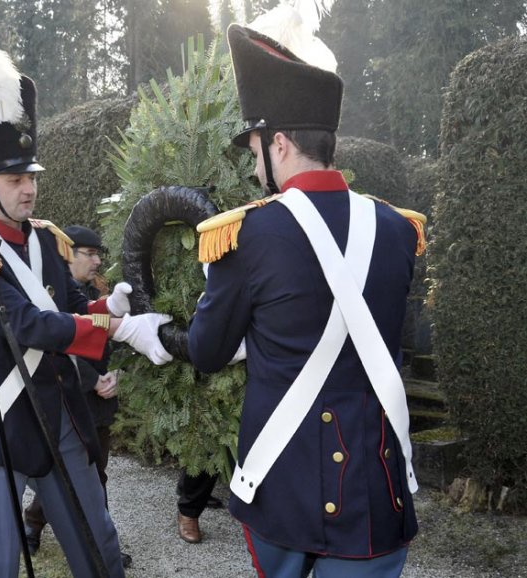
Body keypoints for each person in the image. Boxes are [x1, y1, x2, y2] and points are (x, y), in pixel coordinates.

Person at [186, 13, 426, 578]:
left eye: (255, 150)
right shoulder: (398, 229)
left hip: (281, 493)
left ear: (281, 143)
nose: (254, 165)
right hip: (377, 499)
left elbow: (207, 351)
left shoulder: (247, 234)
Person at [0, 50, 172, 578]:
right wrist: (116, 327)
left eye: (31, 176)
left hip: (58, 414)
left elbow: (67, 308)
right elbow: (26, 324)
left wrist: (105, 308)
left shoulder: (46, 241)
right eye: (14, 179)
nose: (29, 187)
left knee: (99, 550)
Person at [22, 224, 131, 568]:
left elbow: (112, 343)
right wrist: (93, 379)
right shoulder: (47, 290)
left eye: (99, 253)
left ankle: (98, 545)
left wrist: (117, 375)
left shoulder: (90, 293)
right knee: (57, 479)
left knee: (94, 474)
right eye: (90, 253)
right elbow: (53, 343)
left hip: (101, 400)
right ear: (67, 254)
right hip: (72, 397)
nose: (97, 260)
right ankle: (34, 525)